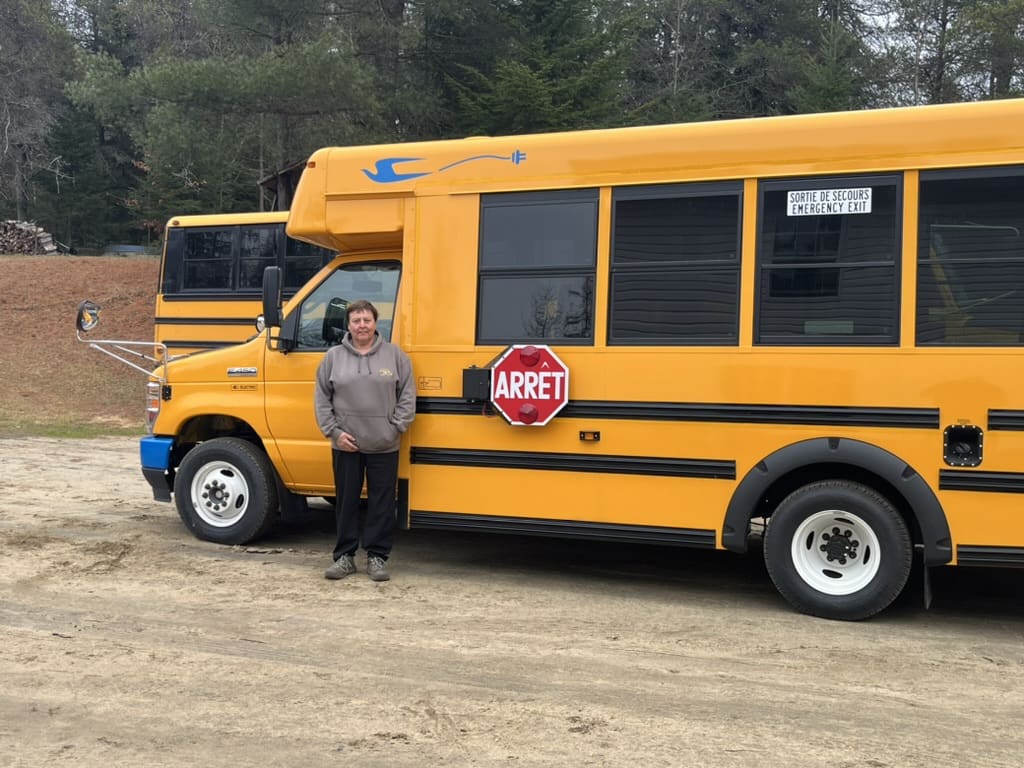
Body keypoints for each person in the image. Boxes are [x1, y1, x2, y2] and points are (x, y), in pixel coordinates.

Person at [314, 299, 415, 582]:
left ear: (375, 323)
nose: (362, 325)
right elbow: (322, 399)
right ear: (348, 325)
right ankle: (344, 557)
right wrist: (334, 432)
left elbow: (407, 395)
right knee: (345, 502)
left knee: (381, 503)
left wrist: (395, 428)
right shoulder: (333, 357)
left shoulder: (395, 357)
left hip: (384, 443)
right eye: (356, 320)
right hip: (346, 444)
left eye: (366, 320)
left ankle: (377, 557)